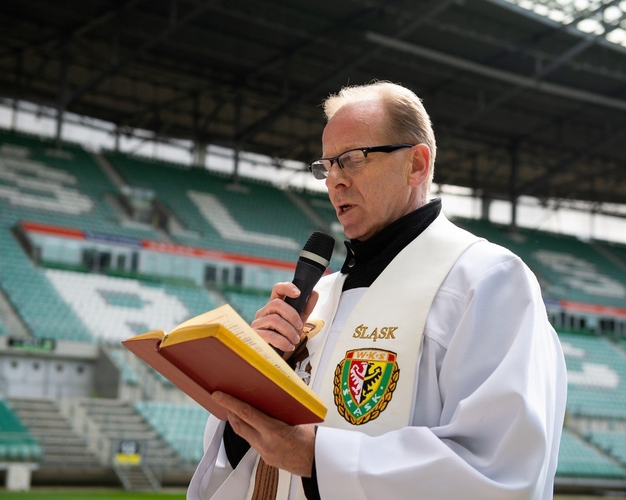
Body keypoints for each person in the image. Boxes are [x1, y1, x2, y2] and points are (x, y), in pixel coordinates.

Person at [187, 81, 567, 500]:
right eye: (326, 166)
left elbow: (498, 470)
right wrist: (259, 377)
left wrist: (318, 458)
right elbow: (250, 463)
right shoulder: (321, 297)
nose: (334, 181)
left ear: (417, 165)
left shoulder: (486, 280)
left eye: (351, 160)